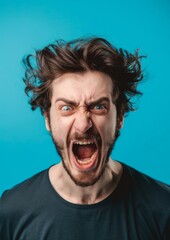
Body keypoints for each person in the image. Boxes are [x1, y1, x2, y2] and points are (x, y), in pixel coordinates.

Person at [0, 37, 169, 240]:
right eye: (67, 108)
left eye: (98, 107)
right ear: (47, 118)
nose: (83, 124)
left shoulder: (163, 208)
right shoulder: (10, 212)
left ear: (120, 117)